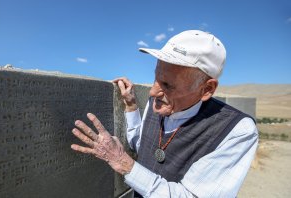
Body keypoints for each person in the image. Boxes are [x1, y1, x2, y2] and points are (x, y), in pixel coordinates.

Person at [70, 30, 258, 197]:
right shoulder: (158, 103)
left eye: (168, 85)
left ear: (206, 89)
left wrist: (123, 163)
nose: (152, 92)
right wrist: (131, 105)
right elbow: (142, 145)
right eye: (156, 78)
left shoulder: (236, 131)